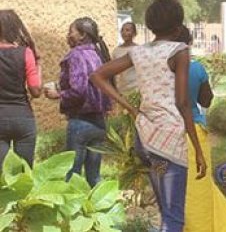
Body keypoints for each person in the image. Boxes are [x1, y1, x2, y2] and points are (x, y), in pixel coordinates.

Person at [90, 0, 206, 231]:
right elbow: (183, 103)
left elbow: (97, 76)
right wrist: (198, 150)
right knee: (174, 218)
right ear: (177, 27)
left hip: (148, 140)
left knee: (165, 208)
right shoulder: (179, 51)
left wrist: (131, 108)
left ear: (151, 26)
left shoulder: (138, 53)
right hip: (170, 140)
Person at [175, 28, 226, 232]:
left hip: (165, 135)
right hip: (195, 135)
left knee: (172, 190)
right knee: (198, 188)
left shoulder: (160, 69)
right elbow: (206, 101)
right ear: (188, 43)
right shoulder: (196, 69)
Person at [44, 17, 112, 187]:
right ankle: (98, 210)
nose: (68, 36)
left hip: (81, 122)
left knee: (72, 175)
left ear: (82, 35)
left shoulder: (76, 55)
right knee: (94, 176)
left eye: (70, 32)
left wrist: (58, 94)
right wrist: (60, 85)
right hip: (99, 122)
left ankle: (71, 213)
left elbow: (79, 90)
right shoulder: (98, 54)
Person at [0, 10, 41, 168]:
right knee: (24, 174)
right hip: (23, 118)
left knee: (2, 176)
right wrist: (39, 65)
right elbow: (36, 91)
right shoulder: (26, 53)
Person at [112, 22, 139, 95]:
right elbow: (113, 72)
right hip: (122, 89)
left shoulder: (139, 50)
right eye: (122, 30)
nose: (124, 32)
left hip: (136, 88)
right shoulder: (116, 51)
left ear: (134, 33)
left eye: (127, 30)